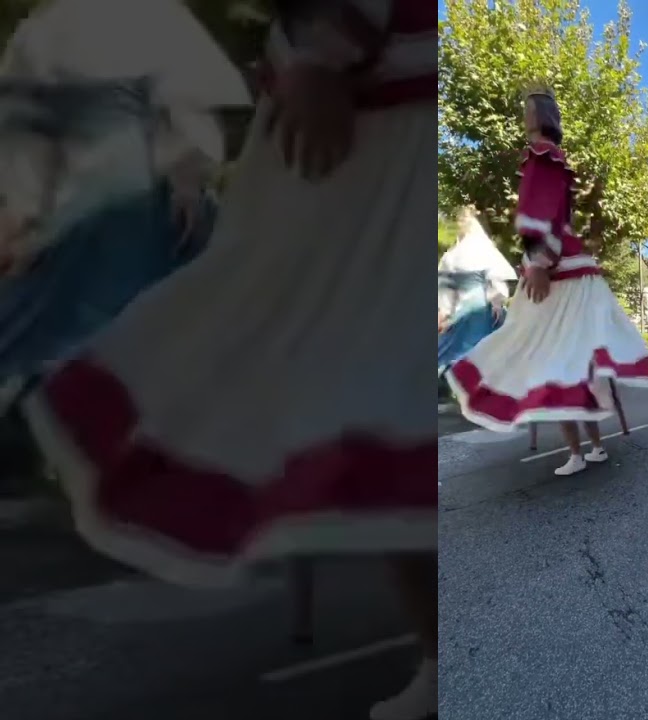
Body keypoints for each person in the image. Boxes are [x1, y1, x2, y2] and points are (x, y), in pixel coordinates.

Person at [20, 4, 441, 719]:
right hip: (362, 118)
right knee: (357, 396)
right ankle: (438, 653)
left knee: (368, 394)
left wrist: (318, 52)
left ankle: (439, 654)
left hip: (378, 122)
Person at [0, 0, 239, 399]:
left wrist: (187, 175)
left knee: (132, 331)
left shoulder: (154, 15)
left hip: (136, 195)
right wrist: (19, 214)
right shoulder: (41, 30)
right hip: (81, 199)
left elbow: (186, 105)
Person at [447, 87, 648, 477]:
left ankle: (580, 452)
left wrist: (540, 264)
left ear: (539, 116)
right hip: (573, 269)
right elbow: (546, 216)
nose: (523, 115)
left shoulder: (541, 155)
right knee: (571, 361)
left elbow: (537, 213)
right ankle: (591, 448)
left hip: (559, 271)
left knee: (549, 358)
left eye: (528, 109)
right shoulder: (553, 158)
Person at [438, 207, 516, 378]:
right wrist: (497, 301)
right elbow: (496, 278)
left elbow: (446, 287)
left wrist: (444, 311)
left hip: (462, 305)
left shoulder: (451, 255)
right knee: (480, 347)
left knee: (455, 347)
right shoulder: (485, 249)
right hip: (480, 303)